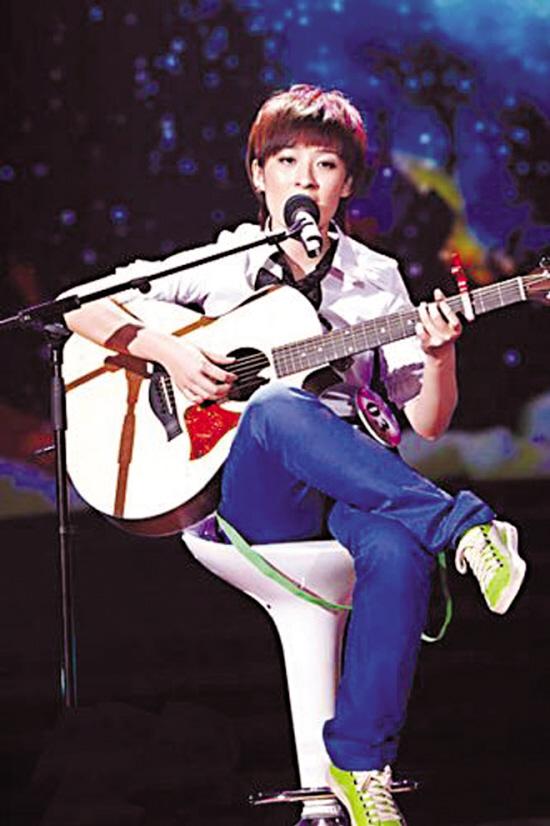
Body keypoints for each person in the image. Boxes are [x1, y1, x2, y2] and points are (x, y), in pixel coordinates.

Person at [61, 84, 526, 826]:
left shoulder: (376, 279)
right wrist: (170, 354)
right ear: (258, 174)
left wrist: (439, 355)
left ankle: (361, 764)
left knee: (397, 550)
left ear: (348, 183)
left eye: (326, 164)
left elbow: (427, 424)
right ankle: (465, 528)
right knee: (277, 405)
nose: (305, 178)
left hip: (356, 479)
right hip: (260, 492)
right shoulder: (223, 264)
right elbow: (78, 306)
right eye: (286, 161)